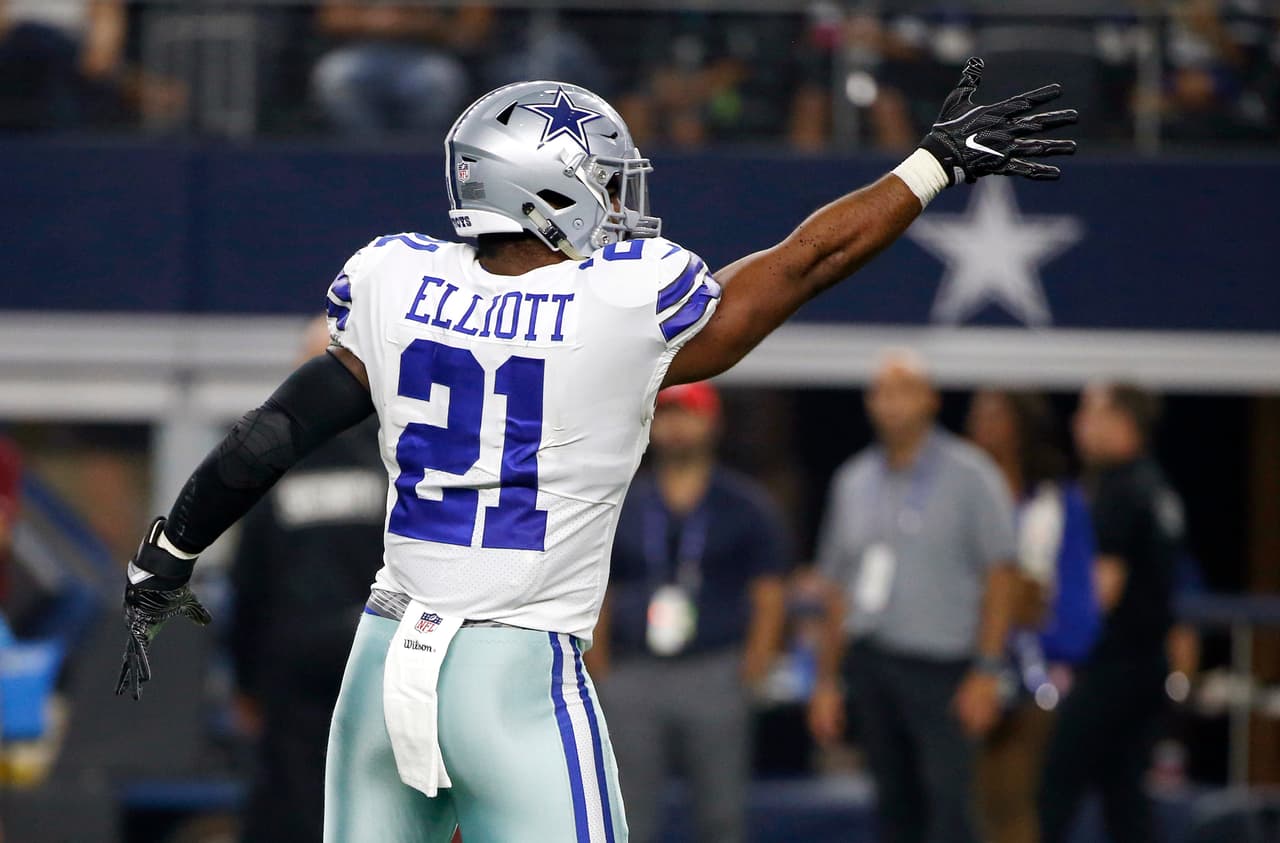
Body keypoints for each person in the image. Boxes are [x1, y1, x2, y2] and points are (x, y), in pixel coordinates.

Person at [111, 59, 1076, 843]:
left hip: (379, 665)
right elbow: (803, 263)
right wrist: (929, 168)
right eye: (600, 184)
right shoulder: (616, 301)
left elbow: (272, 434)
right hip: (513, 669)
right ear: (544, 193)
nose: (614, 205)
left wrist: (170, 550)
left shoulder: (394, 278)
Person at [807, 350, 1022, 843]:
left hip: (945, 669)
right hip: (872, 661)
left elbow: (1002, 576)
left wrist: (988, 671)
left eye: (904, 391)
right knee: (892, 806)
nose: (891, 404)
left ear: (930, 400)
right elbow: (836, 589)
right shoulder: (852, 481)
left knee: (950, 809)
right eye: (881, 392)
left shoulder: (972, 475)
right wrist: (825, 682)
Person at [589, 381, 789, 843]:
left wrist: (752, 670)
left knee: (721, 816)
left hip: (715, 671)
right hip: (634, 673)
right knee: (627, 817)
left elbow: (769, 593)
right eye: (668, 414)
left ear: (712, 423)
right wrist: (602, 668)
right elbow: (601, 588)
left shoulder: (745, 505)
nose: (678, 427)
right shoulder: (625, 504)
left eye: (689, 414)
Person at [230, 318, 387, 843]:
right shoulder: (405, 457)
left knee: (296, 804)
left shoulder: (273, 457)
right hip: (380, 658)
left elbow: (248, 582)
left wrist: (245, 682)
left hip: (298, 663)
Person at [1039, 383, 1184, 843]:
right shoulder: (1155, 483)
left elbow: (1101, 592)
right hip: (1145, 666)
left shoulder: (1121, 487)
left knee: (1052, 792)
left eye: (1089, 413)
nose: (1079, 425)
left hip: (1113, 668)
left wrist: (1043, 628)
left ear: (1121, 422)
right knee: (1125, 799)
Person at [965, 389, 1100, 843]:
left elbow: (1078, 596)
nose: (986, 427)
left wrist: (1052, 655)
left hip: (1035, 675)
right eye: (978, 416)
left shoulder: (1054, 504)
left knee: (1016, 803)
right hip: (958, 668)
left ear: (1024, 425)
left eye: (998, 415)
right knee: (962, 802)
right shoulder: (957, 498)